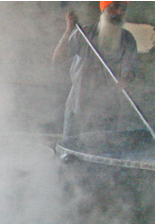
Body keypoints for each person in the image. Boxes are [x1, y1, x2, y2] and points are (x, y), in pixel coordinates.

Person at [53, 1, 139, 141]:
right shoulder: (85, 33)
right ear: (104, 9)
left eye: (123, 9)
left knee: (105, 152)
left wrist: (126, 79)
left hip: (108, 109)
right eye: (115, 7)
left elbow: (130, 66)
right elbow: (57, 59)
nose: (119, 12)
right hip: (78, 106)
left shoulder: (127, 39)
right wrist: (69, 30)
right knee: (71, 154)